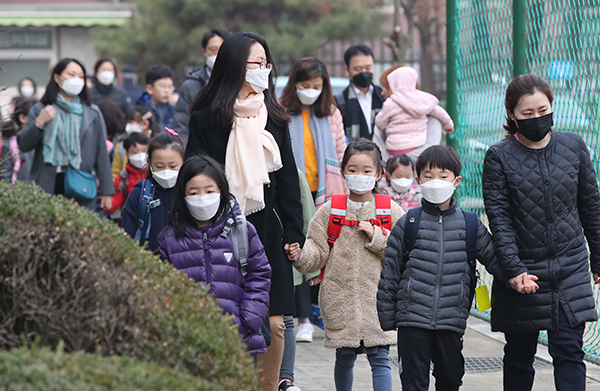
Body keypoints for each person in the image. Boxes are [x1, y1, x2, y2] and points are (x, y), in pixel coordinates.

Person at [185, 32, 305, 391]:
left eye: (266, 63)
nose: (262, 70)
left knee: (277, 321)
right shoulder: (206, 118)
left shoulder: (276, 118)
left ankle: (269, 385)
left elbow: (287, 182)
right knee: (228, 315)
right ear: (235, 66)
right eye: (256, 63)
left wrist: (295, 233)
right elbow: (195, 174)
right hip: (221, 227)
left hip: (268, 227)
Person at [377, 145, 535, 391]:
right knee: (413, 382)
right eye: (428, 176)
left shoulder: (470, 223)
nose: (435, 181)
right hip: (412, 319)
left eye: (443, 176)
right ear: (418, 180)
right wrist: (388, 318)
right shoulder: (408, 222)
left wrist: (516, 276)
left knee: (451, 379)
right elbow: (390, 273)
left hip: (451, 319)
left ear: (456, 180)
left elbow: (494, 259)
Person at [482, 73, 600, 391]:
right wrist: (514, 269)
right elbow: (500, 220)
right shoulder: (498, 157)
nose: (538, 118)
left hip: (570, 267)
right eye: (528, 113)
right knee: (520, 356)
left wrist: (598, 259)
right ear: (511, 115)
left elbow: (591, 205)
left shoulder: (573, 146)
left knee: (570, 352)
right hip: (524, 272)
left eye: (543, 109)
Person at [292, 138, 404, 391]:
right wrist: (300, 256)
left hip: (380, 301)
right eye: (352, 170)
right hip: (340, 300)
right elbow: (317, 252)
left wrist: (376, 237)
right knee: (343, 357)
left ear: (378, 175)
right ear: (343, 172)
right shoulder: (330, 211)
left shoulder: (390, 211)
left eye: (366, 171)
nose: (359, 176)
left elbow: (404, 252)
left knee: (380, 358)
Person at [157, 155, 271, 356]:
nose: (202, 197)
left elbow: (259, 274)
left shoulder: (242, 230)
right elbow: (162, 289)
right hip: (189, 343)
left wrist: (248, 320)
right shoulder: (169, 238)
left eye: (209, 191)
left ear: (221, 191)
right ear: (182, 195)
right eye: (194, 192)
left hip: (238, 340)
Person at [17, 57, 114, 211]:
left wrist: (107, 192)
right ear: (57, 77)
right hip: (47, 182)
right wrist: (39, 123)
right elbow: (24, 145)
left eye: (81, 76)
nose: (77, 80)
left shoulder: (92, 112)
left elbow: (101, 153)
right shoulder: (41, 109)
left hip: (80, 183)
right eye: (71, 74)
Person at [280, 57, 347, 209]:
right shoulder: (280, 112)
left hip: (324, 188)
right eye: (305, 85)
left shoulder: (331, 113)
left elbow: (341, 155)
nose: (310, 91)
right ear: (294, 84)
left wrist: (346, 192)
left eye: (316, 87)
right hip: (291, 189)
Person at [122, 131, 184, 252]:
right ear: (150, 164)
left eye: (173, 166)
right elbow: (127, 235)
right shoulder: (139, 194)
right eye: (159, 167)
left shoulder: (189, 193)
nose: (166, 172)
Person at [375, 66, 454, 157]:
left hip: (394, 149)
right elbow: (440, 112)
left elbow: (380, 124)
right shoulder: (423, 102)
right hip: (418, 144)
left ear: (393, 86)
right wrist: (448, 125)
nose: (382, 92)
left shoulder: (390, 103)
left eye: (386, 86)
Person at [173, 29, 229, 144]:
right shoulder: (190, 86)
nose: (217, 54)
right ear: (204, 52)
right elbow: (181, 124)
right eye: (213, 50)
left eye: (221, 49)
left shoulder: (237, 81)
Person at [334, 44, 384, 142]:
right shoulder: (339, 101)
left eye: (368, 68)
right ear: (347, 70)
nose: (364, 72)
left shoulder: (383, 96)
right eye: (358, 69)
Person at [106, 132, 150, 218]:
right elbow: (116, 199)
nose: (140, 155)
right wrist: (108, 203)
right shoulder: (124, 177)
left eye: (144, 151)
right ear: (127, 154)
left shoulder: (154, 174)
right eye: (135, 152)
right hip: (131, 219)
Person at [112, 104, 161, 181]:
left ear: (145, 124)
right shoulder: (122, 145)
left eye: (131, 122)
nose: (128, 126)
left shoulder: (159, 144)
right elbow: (115, 172)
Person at [0, 97, 37, 182]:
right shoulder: (10, 143)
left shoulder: (42, 140)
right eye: (36, 117)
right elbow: (5, 176)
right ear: (22, 118)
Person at [136, 64, 175, 129]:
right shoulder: (139, 111)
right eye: (162, 86)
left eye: (170, 87)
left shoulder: (174, 110)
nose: (167, 91)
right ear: (149, 89)